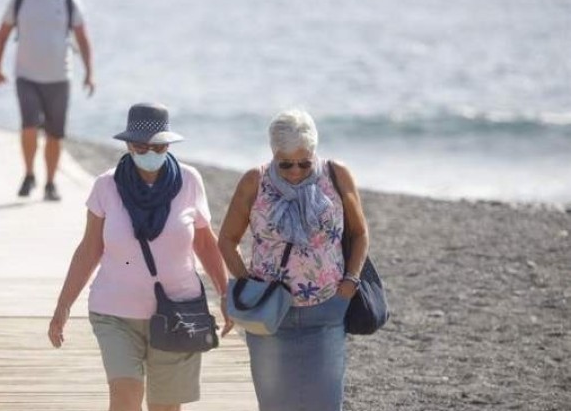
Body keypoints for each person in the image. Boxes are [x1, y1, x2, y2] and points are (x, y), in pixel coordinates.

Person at [48, 103, 233, 411]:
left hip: (179, 314)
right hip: (114, 312)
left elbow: (205, 242)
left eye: (157, 146)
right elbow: (89, 248)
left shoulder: (189, 181)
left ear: (168, 145)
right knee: (125, 398)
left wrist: (226, 294)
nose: (149, 152)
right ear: (128, 145)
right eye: (141, 146)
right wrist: (63, 305)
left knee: (165, 406)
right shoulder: (106, 186)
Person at [217, 109, 370, 411]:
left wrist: (350, 282)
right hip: (269, 315)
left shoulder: (336, 174)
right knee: (275, 405)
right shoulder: (255, 180)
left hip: (327, 309)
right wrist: (248, 287)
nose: (296, 171)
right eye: (285, 164)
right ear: (273, 154)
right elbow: (227, 240)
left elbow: (360, 233)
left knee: (325, 404)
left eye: (304, 163)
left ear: (314, 152)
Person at [0, 0, 95, 202]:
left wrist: (90, 73)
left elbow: (82, 38)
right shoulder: (19, 2)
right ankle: (29, 174)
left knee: (54, 134)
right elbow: (3, 34)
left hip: (60, 77)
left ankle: (50, 182)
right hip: (26, 76)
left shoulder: (69, 2)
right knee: (28, 126)